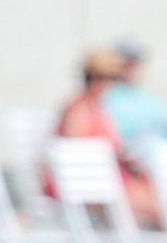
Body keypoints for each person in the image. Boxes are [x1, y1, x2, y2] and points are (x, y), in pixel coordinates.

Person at [52, 49, 160, 225]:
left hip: (107, 180)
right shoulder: (78, 110)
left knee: (165, 198)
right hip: (89, 185)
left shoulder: (99, 109)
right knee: (158, 205)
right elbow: (74, 155)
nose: (111, 84)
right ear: (94, 78)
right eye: (108, 78)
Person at [102, 40, 167, 159]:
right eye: (127, 63)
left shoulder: (149, 98)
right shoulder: (106, 97)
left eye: (135, 63)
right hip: (130, 160)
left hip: (163, 155)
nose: (133, 68)